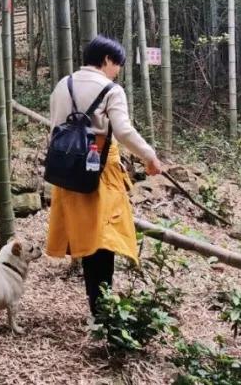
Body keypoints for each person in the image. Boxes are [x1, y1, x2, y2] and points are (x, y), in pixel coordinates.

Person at [45, 35, 164, 320]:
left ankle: (98, 307)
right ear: (107, 60)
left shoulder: (63, 84)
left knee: (86, 238)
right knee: (103, 240)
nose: (118, 71)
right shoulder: (112, 89)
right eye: (117, 65)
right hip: (98, 172)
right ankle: (103, 311)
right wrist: (149, 155)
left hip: (65, 169)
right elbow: (123, 132)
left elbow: (54, 129)